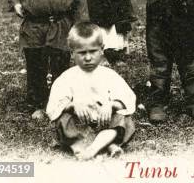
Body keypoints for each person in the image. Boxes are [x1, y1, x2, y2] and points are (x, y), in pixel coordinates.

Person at [46, 22, 136, 160]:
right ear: (72, 53)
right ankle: (95, 146)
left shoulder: (109, 75)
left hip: (104, 121)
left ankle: (93, 148)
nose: (88, 58)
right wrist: (73, 105)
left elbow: (127, 99)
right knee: (63, 121)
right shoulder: (67, 77)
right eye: (82, 53)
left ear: (102, 49)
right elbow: (55, 106)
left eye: (93, 51)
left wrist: (110, 105)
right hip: (80, 122)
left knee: (124, 120)